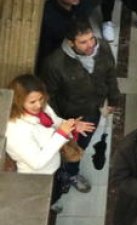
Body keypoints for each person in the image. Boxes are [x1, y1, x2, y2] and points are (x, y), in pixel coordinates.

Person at [39, 19, 119, 193]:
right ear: (70, 42)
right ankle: (61, 177)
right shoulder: (55, 64)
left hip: (92, 111)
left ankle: (72, 172)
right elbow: (49, 98)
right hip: (69, 116)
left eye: (91, 38)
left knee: (80, 147)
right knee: (65, 149)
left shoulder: (102, 47)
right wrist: (62, 123)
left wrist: (113, 98)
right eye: (83, 42)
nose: (90, 45)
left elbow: (110, 74)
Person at [5, 73, 96, 207]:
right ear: (18, 101)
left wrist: (71, 126)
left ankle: (55, 199)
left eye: (41, 98)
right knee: (45, 198)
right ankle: (52, 204)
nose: (39, 105)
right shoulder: (15, 130)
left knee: (56, 189)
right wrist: (61, 134)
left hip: (54, 164)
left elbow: (55, 122)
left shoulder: (42, 108)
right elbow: (36, 162)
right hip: (38, 176)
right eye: (32, 102)